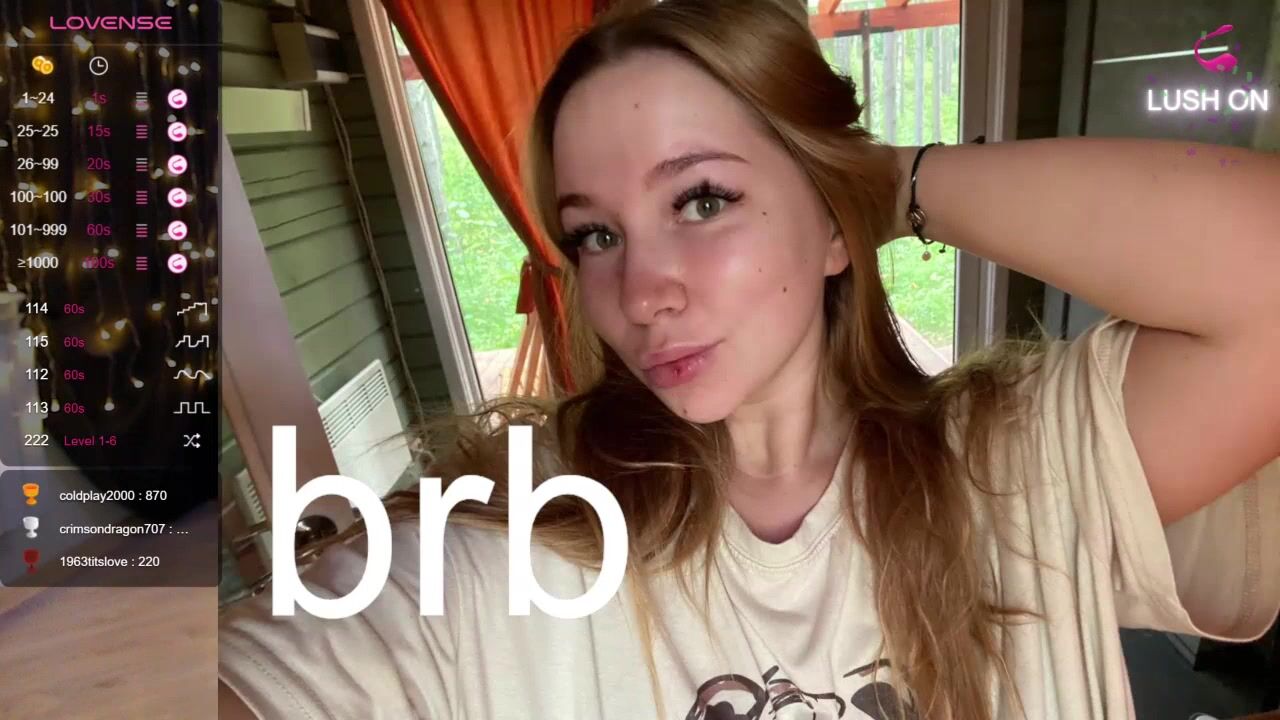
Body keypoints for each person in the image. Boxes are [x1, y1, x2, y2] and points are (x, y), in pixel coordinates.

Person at [217, 1, 1280, 718]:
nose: (640, 290)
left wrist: (884, 183)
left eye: (702, 200)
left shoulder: (1023, 467)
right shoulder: (504, 545)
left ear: (834, 225)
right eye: (595, 234)